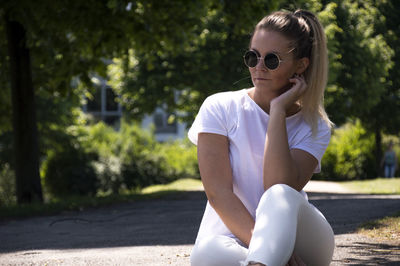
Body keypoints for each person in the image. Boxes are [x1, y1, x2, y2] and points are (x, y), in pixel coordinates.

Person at [188, 9, 335, 266]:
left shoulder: (315, 126)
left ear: (300, 65)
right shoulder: (219, 107)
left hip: (301, 242)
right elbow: (218, 193)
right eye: (252, 56)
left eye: (272, 60)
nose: (258, 67)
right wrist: (267, 250)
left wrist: (277, 111)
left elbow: (277, 185)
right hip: (232, 242)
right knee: (203, 254)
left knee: (280, 194)